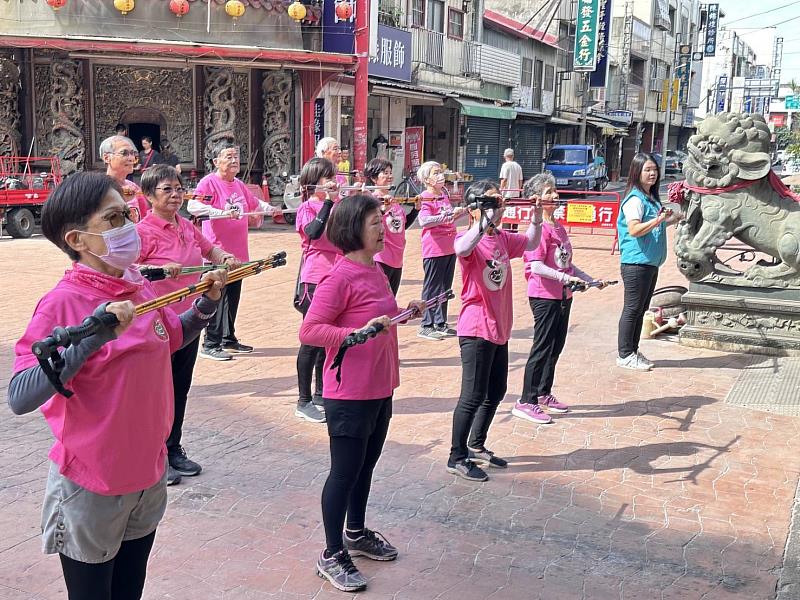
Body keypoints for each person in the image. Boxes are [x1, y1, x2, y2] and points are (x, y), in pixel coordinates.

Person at [7, 172, 226, 600]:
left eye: (127, 214)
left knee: (130, 590)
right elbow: (20, 394)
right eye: (113, 219)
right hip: (93, 483)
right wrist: (92, 335)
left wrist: (204, 305)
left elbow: (168, 339)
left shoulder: (138, 284)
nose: (128, 226)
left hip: (147, 472)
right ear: (78, 239)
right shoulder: (63, 302)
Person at [299, 194, 424, 592]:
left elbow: (377, 320)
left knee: (365, 468)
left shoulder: (375, 270)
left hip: (379, 386)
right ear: (353, 229)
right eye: (375, 222)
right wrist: (351, 335)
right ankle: (332, 552)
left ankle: (355, 532)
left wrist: (405, 312)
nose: (383, 228)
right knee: (344, 472)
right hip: (349, 392)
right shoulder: (337, 278)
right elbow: (311, 330)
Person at [137, 164, 239, 485]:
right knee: (157, 394)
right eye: (166, 190)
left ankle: (172, 448)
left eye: (178, 189)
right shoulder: (142, 232)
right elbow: (129, 271)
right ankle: (152, 457)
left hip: (190, 321)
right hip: (158, 325)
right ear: (149, 196)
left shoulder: (186, 225)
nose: (175, 195)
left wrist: (223, 257)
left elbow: (209, 248)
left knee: (179, 389)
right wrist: (158, 269)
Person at [446, 179, 542, 482]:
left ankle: (476, 443)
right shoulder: (470, 240)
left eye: (497, 203)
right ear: (475, 208)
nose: (497, 209)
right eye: (489, 203)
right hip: (476, 327)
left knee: (496, 390)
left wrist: (537, 217)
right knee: (472, 395)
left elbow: (530, 242)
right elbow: (460, 247)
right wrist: (483, 217)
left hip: (499, 326)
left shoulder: (501, 238)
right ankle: (456, 455)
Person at [512, 173, 606, 425]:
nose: (555, 195)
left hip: (564, 295)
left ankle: (543, 392)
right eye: (548, 192)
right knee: (541, 348)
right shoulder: (538, 230)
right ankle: (526, 400)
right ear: (536, 200)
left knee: (556, 347)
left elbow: (567, 265)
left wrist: (590, 280)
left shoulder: (558, 226)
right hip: (544, 296)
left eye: (554, 191)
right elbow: (536, 266)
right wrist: (568, 280)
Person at [187, 143, 279, 361]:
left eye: (236, 156)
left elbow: (252, 202)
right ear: (216, 162)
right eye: (228, 157)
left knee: (232, 299)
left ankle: (228, 339)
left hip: (238, 255)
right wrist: (222, 213)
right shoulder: (208, 183)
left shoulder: (238, 183)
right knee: (214, 298)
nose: (234, 160)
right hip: (217, 255)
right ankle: (210, 343)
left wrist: (269, 209)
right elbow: (193, 207)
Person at [294, 157, 343, 423]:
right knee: (311, 340)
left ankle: (322, 392)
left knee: (328, 339)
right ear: (315, 181)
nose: (333, 181)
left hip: (337, 276)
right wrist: (327, 202)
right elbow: (313, 232)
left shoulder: (337, 205)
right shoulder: (307, 207)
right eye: (327, 177)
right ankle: (303, 400)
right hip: (314, 279)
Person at [616, 152, 669, 371]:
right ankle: (625, 354)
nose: (652, 174)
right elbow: (635, 229)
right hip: (636, 264)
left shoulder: (651, 198)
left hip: (650, 263)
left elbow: (656, 227)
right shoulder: (635, 199)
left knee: (640, 309)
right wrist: (658, 220)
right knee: (632, 309)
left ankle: (633, 351)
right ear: (637, 172)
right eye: (647, 170)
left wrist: (673, 219)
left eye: (654, 170)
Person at [416, 160, 468, 340]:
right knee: (432, 287)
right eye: (435, 173)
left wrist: (458, 213)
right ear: (427, 179)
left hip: (449, 246)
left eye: (440, 172)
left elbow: (448, 216)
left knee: (445, 287)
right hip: (434, 248)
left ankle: (441, 322)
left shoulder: (443, 194)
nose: (440, 176)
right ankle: (426, 324)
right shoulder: (426, 197)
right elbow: (424, 221)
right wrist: (445, 216)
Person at [366, 158, 418, 295]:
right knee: (380, 299)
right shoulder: (371, 200)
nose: (390, 176)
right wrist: (383, 209)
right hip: (381, 257)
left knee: (391, 299)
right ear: (373, 178)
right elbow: (370, 226)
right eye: (385, 173)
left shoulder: (393, 199)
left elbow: (401, 226)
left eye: (390, 172)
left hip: (397, 258)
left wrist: (416, 210)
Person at [100, 135, 150, 222]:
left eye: (132, 153)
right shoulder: (100, 189)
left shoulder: (134, 187)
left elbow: (145, 219)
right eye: (124, 153)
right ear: (107, 158)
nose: (131, 158)